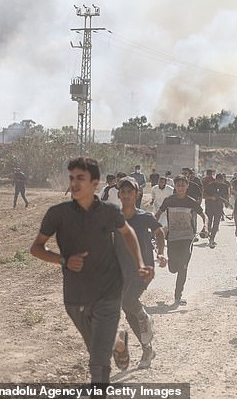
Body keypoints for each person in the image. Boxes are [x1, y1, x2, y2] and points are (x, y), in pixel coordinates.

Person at [30, 157, 154, 387]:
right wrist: (64, 260)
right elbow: (35, 248)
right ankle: (118, 341)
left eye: (82, 179)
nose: (75, 184)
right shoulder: (57, 213)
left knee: (98, 358)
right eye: (72, 178)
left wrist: (139, 262)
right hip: (75, 293)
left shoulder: (109, 212)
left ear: (95, 182)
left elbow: (127, 234)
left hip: (108, 284)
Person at [113, 177, 166, 370]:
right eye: (123, 192)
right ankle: (147, 349)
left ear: (137, 194)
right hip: (121, 271)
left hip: (142, 270)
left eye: (130, 192)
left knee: (128, 301)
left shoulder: (145, 217)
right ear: (119, 195)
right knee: (128, 312)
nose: (126, 195)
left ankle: (144, 316)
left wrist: (160, 252)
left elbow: (159, 232)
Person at [155, 176, 207, 307]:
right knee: (173, 268)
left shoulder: (191, 201)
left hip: (187, 238)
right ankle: (175, 267)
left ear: (187, 186)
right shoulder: (169, 200)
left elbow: (203, 215)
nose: (180, 188)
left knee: (183, 267)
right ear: (175, 186)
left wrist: (205, 226)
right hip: (172, 238)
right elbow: (158, 213)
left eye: (183, 185)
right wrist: (152, 227)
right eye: (178, 185)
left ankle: (178, 297)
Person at [204, 173, 229, 248]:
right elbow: (204, 196)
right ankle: (208, 233)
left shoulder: (225, 186)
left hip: (219, 207)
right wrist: (211, 197)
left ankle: (212, 238)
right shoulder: (210, 185)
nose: (220, 182)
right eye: (219, 180)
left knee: (216, 223)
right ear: (216, 179)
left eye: (221, 180)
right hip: (210, 206)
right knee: (209, 222)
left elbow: (226, 196)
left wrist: (225, 201)